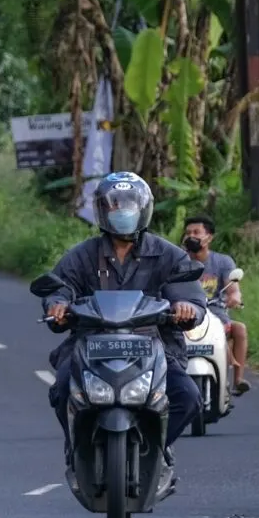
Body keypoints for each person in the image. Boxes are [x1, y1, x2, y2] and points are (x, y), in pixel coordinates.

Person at [43, 172, 206, 491]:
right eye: (115, 205)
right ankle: (76, 449)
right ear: (103, 210)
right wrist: (58, 306)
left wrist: (187, 308)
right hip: (91, 346)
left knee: (188, 397)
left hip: (153, 347)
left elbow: (190, 293)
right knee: (63, 388)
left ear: (144, 208)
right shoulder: (83, 254)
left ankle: (159, 448)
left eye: (130, 204)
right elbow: (60, 287)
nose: (123, 211)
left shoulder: (168, 254)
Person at [182, 214, 250, 395]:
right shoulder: (178, 259)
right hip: (186, 314)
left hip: (216, 314)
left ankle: (237, 379)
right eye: (188, 233)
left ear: (209, 237)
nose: (191, 236)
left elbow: (233, 288)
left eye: (196, 232)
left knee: (240, 329)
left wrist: (235, 296)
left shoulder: (222, 261)